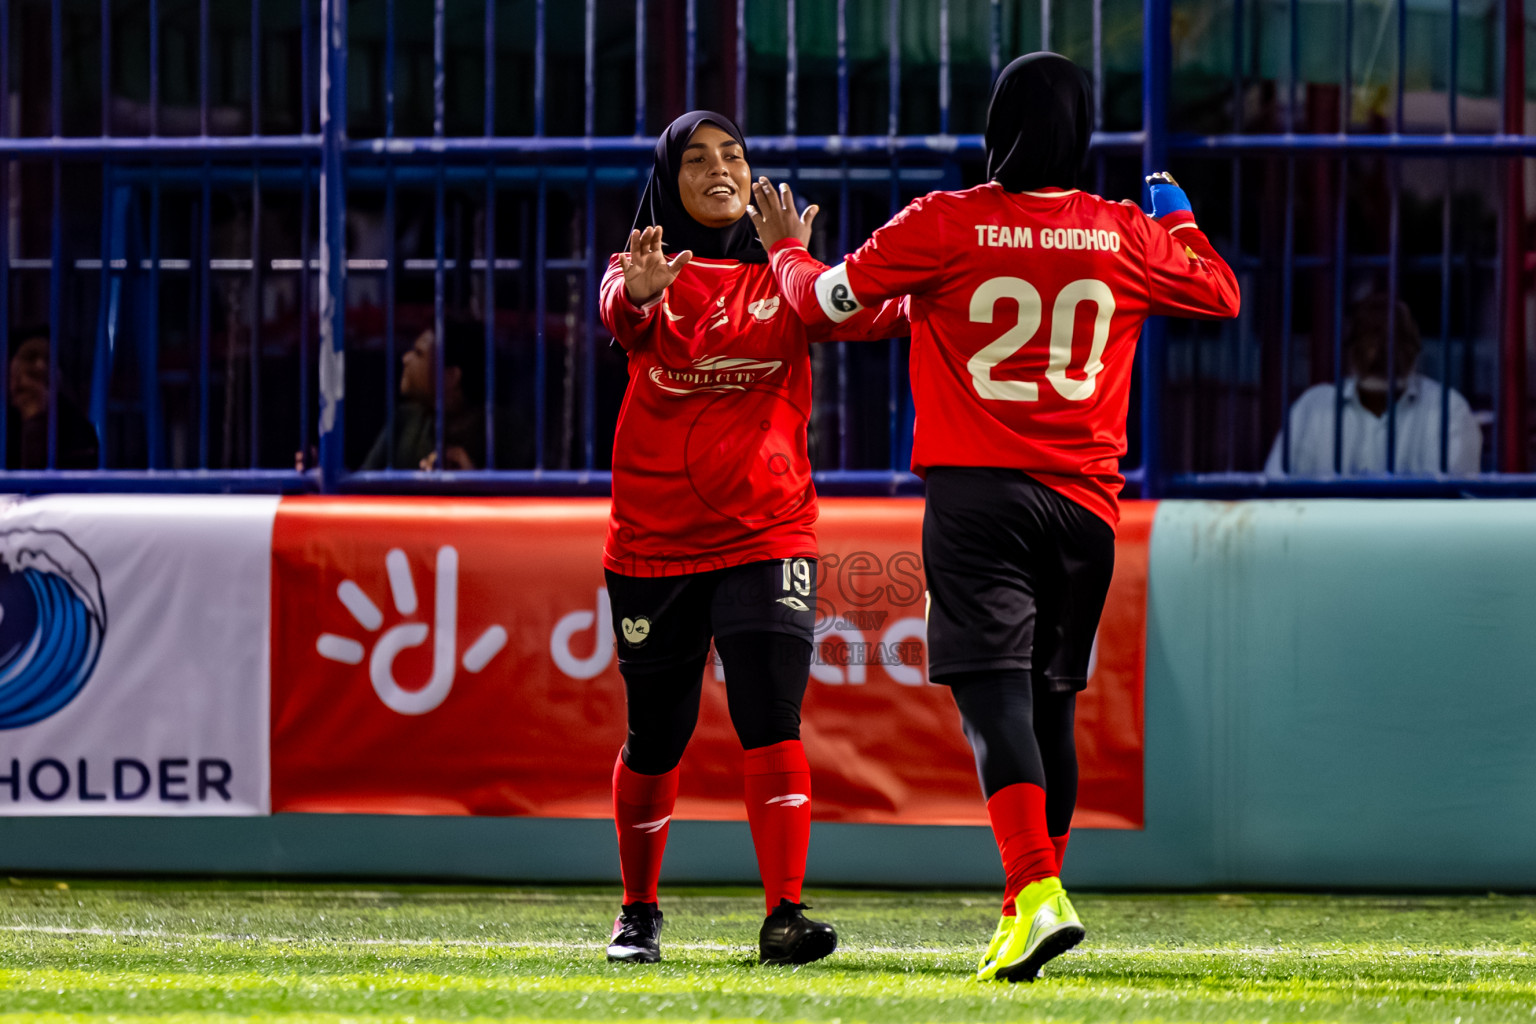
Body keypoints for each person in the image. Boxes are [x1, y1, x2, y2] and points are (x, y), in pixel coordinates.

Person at [750, 53, 1240, 982]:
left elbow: (820, 302)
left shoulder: (947, 222)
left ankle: (1037, 889)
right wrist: (1177, 213)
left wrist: (782, 245)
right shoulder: (1123, 232)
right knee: (1051, 705)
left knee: (991, 700)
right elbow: (1221, 293)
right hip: (1087, 506)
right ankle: (1026, 913)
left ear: (996, 126)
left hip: (980, 496)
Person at [598, 109, 907, 967]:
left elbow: (879, 313)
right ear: (671, 181)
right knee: (656, 736)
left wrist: (792, 255)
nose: (718, 169)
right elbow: (621, 314)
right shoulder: (644, 267)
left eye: (731, 154)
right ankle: (638, 911)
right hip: (654, 541)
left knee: (771, 719)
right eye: (695, 160)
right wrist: (643, 290)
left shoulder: (788, 276)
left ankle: (785, 914)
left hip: (770, 534)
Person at [1264, 295, 1481, 476]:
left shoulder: (1448, 408)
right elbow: (1275, 489)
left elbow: (1453, 501)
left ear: (1414, 349)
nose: (1379, 346)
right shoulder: (1312, 408)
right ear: (1351, 349)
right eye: (1371, 336)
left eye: (1391, 337)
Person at [357, 318, 487, 472]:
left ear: (451, 376)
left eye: (419, 353)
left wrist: (473, 485)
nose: (405, 358)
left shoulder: (501, 433)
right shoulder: (405, 419)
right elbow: (362, 483)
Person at [6, 326, 99, 470]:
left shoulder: (79, 429)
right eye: (30, 357)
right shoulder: (6, 420)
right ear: (12, 367)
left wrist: (35, 419)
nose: (40, 365)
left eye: (48, 359)